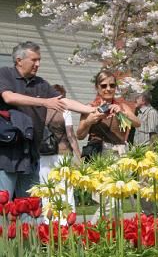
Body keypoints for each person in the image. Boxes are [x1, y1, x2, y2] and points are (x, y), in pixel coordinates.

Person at [0, 41, 95, 198]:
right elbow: (8, 97)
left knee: (30, 206)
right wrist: (44, 102)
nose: (38, 64)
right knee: (3, 205)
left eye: (40, 60)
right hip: (7, 153)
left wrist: (91, 109)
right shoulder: (5, 74)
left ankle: (28, 224)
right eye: (34, 60)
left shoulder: (41, 83)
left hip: (31, 152)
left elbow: (63, 101)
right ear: (19, 60)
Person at [38, 84, 82, 217]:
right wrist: (79, 156)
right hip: (63, 153)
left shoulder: (42, 111)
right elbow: (70, 134)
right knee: (66, 188)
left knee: (46, 187)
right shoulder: (65, 111)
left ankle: (48, 221)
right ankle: (67, 219)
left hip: (44, 153)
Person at [76, 70, 140, 157]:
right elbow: (80, 136)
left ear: (116, 87)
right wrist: (88, 122)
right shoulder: (90, 107)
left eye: (112, 85)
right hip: (98, 155)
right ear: (97, 87)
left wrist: (122, 113)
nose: (108, 89)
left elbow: (137, 123)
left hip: (119, 154)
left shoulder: (122, 106)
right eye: (103, 86)